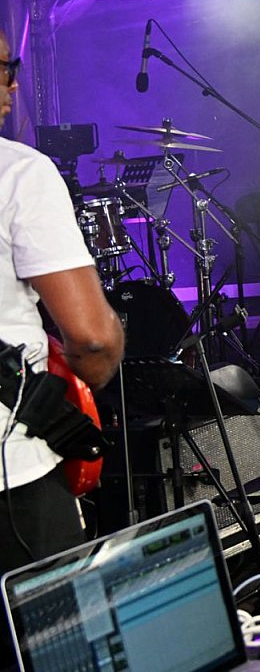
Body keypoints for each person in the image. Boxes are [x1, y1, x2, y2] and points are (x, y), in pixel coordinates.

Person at [0, 35, 124, 585]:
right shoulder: (18, 173)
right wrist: (81, 389)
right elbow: (93, 339)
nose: (14, 83)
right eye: (6, 68)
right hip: (13, 478)